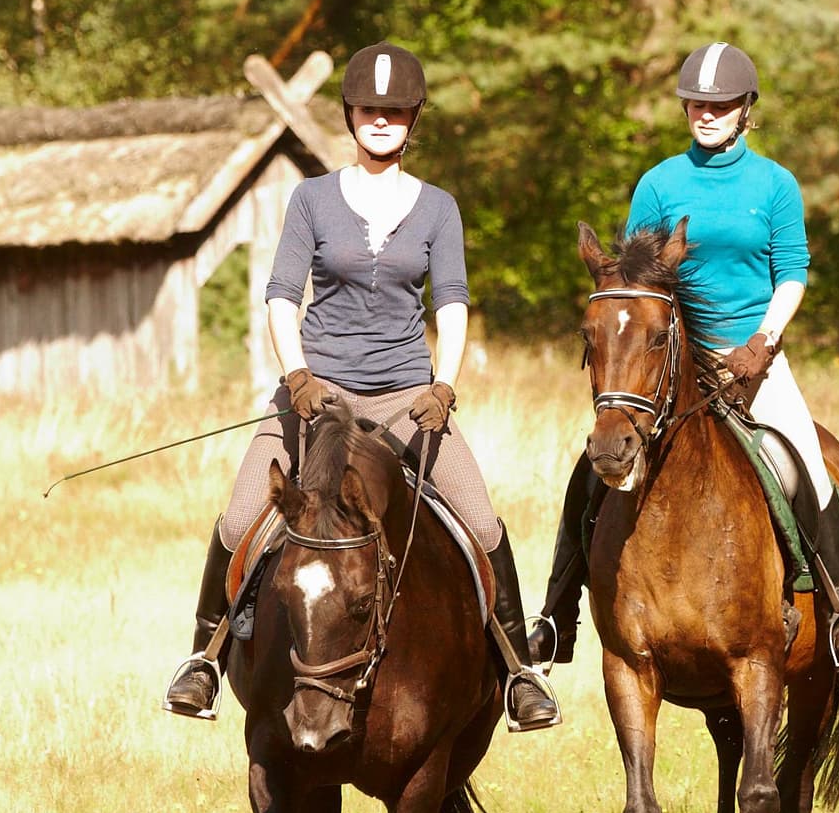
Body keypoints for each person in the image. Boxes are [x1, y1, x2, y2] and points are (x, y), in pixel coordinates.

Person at [165, 42, 563, 732]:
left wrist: (444, 383)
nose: (381, 121)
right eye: (370, 110)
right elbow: (282, 295)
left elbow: (453, 304)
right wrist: (297, 376)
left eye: (396, 111)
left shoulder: (438, 208)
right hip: (317, 393)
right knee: (237, 521)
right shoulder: (312, 199)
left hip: (407, 398)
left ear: (413, 120)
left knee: (481, 519)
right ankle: (204, 657)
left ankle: (517, 669)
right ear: (350, 116)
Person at [534, 42, 839, 673]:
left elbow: (792, 274)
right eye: (696, 102)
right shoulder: (659, 183)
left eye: (720, 104)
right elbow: (637, 279)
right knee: (591, 471)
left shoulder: (774, 183)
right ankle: (558, 616)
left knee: (808, 464)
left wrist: (762, 342)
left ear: (746, 109)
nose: (706, 112)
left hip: (753, 354)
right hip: (671, 362)